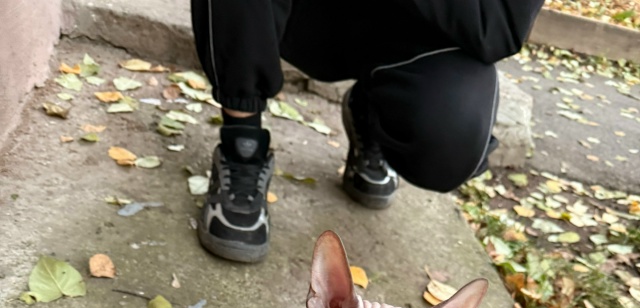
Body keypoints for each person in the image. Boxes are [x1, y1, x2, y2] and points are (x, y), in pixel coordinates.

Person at [190, 0, 544, 263]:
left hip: (417, 35)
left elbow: (499, 24)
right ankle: (242, 142)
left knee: (451, 142)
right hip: (301, 14)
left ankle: (374, 110)